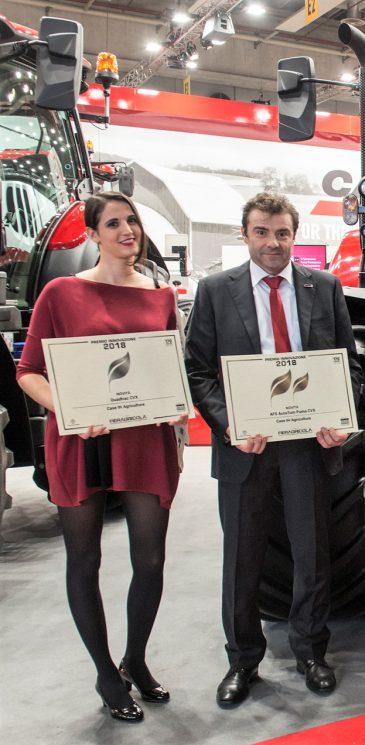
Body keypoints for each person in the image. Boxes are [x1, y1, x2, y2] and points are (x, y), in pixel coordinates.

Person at [185, 192, 364, 706]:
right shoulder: (217, 291)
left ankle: (311, 650)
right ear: (245, 235)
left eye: (282, 233)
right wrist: (229, 425)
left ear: (294, 236)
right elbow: (199, 370)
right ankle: (243, 661)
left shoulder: (323, 287)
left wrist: (338, 418)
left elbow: (345, 365)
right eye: (262, 232)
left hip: (307, 445)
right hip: (247, 446)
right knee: (242, 558)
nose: (272, 242)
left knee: (313, 553)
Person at [16, 192, 187, 722]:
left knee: (151, 559)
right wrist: (67, 409)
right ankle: (104, 673)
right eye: (113, 223)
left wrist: (177, 405)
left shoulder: (160, 297)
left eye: (132, 221)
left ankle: (134, 658)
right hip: (81, 438)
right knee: (84, 560)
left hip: (144, 439)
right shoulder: (61, 292)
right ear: (92, 234)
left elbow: (169, 369)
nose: (126, 230)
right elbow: (29, 371)